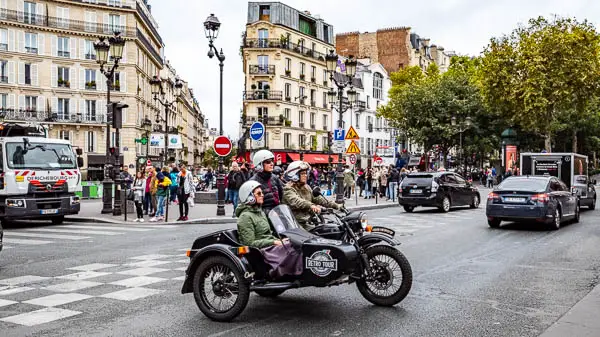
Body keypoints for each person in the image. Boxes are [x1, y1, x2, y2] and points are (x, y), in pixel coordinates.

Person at [236, 181, 302, 279]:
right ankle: (283, 273)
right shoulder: (245, 217)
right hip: (262, 251)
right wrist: (274, 242)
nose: (262, 195)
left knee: (297, 242)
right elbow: (249, 243)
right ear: (249, 197)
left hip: (270, 245)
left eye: (262, 193)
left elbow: (269, 232)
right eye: (259, 193)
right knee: (293, 248)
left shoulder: (260, 212)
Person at [282, 161, 342, 230]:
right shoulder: (288, 188)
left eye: (306, 173)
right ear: (294, 175)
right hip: (296, 223)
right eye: (302, 174)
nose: (305, 175)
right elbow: (297, 201)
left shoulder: (306, 187)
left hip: (309, 221)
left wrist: (336, 205)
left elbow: (318, 199)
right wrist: (311, 205)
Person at [250, 150, 284, 214]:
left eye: (272, 161)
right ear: (259, 165)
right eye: (268, 162)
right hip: (263, 216)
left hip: (277, 215)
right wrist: (268, 212)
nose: (272, 164)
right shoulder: (253, 182)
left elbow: (283, 195)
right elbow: (252, 206)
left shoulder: (274, 178)